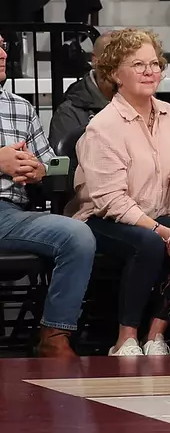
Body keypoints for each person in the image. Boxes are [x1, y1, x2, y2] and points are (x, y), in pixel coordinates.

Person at [68, 28, 170, 356]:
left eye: (155, 64)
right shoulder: (102, 127)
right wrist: (161, 230)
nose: (150, 71)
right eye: (138, 65)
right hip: (102, 219)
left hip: (156, 213)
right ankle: (125, 338)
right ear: (114, 74)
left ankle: (156, 335)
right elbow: (112, 202)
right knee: (150, 242)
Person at [0, 38, 96, 358]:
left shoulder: (20, 107)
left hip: (11, 213)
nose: (3, 54)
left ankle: (54, 334)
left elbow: (53, 167)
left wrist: (39, 171)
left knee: (77, 234)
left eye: (3, 46)